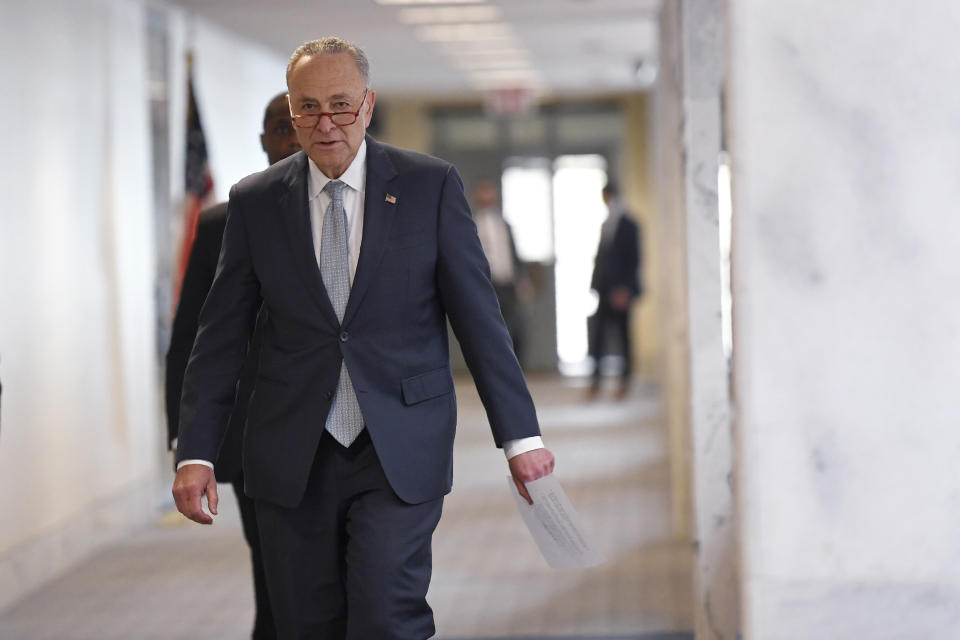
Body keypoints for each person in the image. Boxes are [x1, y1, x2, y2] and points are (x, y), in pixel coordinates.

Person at [171, 37, 555, 639]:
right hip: (290, 449)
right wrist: (195, 450)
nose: (326, 124)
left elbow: (480, 320)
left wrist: (520, 436)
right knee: (304, 623)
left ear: (368, 105)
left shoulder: (429, 186)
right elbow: (218, 338)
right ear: (292, 113)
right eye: (308, 108)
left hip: (397, 444)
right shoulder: (255, 203)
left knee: (385, 614)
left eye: (341, 105)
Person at [165, 91, 300, 640]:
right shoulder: (222, 223)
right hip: (251, 437)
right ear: (263, 139)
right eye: (279, 125)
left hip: (342, 431)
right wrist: (187, 441)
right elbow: (192, 338)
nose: (293, 135)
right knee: (274, 578)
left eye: (302, 121)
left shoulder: (360, 209)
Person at [587, 181, 642, 400]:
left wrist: (625, 289)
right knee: (599, 336)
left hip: (621, 292)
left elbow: (634, 260)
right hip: (604, 289)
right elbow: (601, 259)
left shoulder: (629, 224)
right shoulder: (607, 223)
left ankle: (624, 382)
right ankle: (596, 382)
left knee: (624, 338)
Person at [471, 179, 533, 365]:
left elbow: (514, 254)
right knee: (489, 330)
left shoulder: (504, 224)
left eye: (490, 191)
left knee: (516, 328)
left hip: (508, 284)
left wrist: (522, 279)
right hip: (487, 285)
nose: (487, 196)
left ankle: (516, 367)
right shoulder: (472, 224)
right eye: (483, 192)